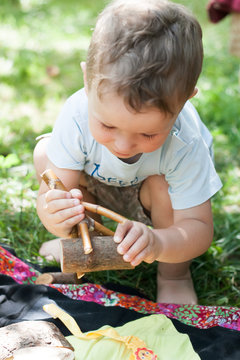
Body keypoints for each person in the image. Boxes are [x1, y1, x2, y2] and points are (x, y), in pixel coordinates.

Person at [34, 0, 222, 305]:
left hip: (152, 205)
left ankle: (174, 275)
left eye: (148, 133)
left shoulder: (184, 142)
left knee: (161, 185)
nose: (122, 145)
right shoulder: (77, 114)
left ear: (185, 101)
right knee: (46, 155)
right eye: (107, 125)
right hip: (99, 190)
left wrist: (160, 243)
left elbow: (198, 228)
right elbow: (54, 192)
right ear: (87, 81)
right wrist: (55, 215)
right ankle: (80, 244)